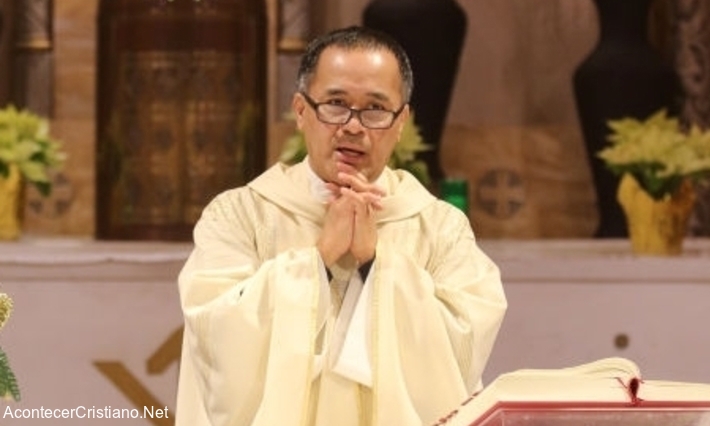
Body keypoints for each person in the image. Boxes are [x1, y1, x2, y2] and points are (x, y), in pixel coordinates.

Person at [175, 25, 507, 426]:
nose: (353, 126)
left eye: (375, 109)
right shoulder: (240, 216)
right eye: (335, 104)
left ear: (402, 122)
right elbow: (215, 332)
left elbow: (464, 344)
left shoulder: (439, 227)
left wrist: (376, 263)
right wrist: (318, 258)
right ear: (301, 111)